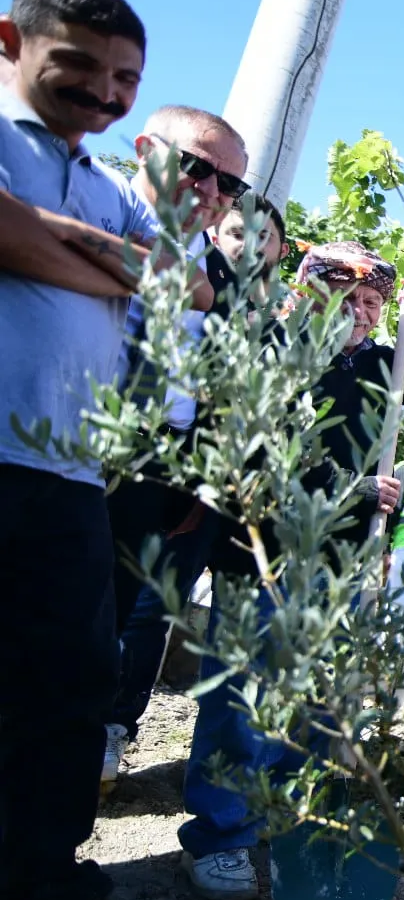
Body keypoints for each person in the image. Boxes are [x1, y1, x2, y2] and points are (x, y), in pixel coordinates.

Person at [178, 242, 404, 900]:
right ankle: (220, 836)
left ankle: (283, 818)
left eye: (373, 303)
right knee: (244, 695)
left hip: (337, 564)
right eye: (351, 299)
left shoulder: (378, 366)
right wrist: (354, 488)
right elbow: (266, 449)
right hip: (261, 554)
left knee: (309, 701)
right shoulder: (276, 348)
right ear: (313, 293)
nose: (364, 314)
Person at [0, 0, 187, 900]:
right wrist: (107, 261)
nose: (106, 95)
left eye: (125, 78)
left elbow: (179, 278)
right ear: (11, 41)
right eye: (81, 66)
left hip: (72, 477)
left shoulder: (112, 184)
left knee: (65, 692)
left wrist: (43, 245)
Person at [102, 190, 282, 794]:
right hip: (184, 490)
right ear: (216, 238)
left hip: (242, 512)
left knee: (199, 623)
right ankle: (110, 730)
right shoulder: (198, 297)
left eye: (264, 240)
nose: (249, 248)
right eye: (238, 234)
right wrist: (197, 484)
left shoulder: (281, 323)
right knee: (145, 610)